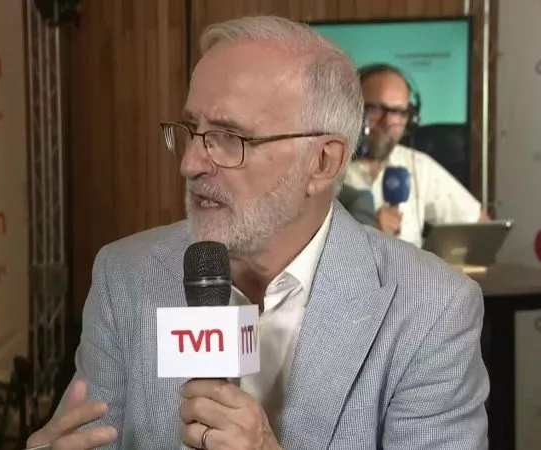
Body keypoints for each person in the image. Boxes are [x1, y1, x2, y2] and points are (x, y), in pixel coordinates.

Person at [26, 16, 489, 450]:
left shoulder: (431, 308)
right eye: (192, 129)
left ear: (322, 162)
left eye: (230, 137)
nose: (190, 163)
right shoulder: (124, 275)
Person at [343, 63, 489, 248]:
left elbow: (481, 226)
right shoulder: (322, 168)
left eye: (398, 113)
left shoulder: (417, 165)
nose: (388, 122)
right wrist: (366, 232)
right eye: (376, 109)